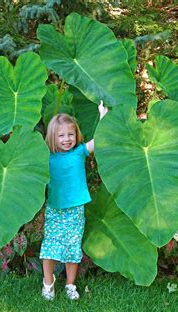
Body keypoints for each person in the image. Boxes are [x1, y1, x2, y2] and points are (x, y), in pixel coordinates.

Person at [40, 100, 108, 301]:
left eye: (70, 134)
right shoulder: (47, 158)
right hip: (55, 208)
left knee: (72, 248)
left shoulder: (79, 152)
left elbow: (98, 141)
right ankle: (48, 283)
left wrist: (102, 116)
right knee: (49, 247)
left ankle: (70, 284)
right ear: (53, 137)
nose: (67, 139)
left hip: (75, 209)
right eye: (61, 135)